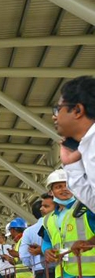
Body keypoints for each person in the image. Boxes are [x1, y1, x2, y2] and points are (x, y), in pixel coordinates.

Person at [58, 76, 95, 208]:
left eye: (58, 109)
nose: (54, 117)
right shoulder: (88, 146)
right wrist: (72, 165)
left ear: (77, 110)